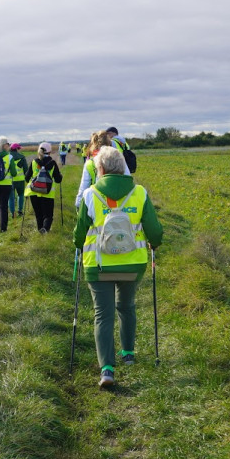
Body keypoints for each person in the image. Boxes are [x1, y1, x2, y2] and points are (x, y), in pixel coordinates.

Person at [73, 147, 163, 388]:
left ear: (99, 169)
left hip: (99, 265)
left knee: (103, 314)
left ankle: (107, 370)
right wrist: (154, 243)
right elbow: (155, 231)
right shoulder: (140, 193)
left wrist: (76, 245)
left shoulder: (91, 195)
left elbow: (80, 232)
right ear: (122, 167)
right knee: (126, 305)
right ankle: (128, 353)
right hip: (132, 263)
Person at [75, 130, 129, 208]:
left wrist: (79, 203)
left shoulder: (90, 163)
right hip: (120, 202)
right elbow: (128, 177)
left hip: (98, 202)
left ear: (93, 145)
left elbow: (84, 186)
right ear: (109, 143)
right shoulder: (119, 158)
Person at [24, 142, 63, 233]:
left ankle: (40, 231)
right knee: (48, 215)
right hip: (47, 193)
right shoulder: (52, 163)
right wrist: (60, 176)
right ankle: (45, 229)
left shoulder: (34, 162)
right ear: (49, 152)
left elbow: (27, 177)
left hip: (34, 192)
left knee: (38, 215)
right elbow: (58, 180)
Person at [7, 143, 29, 218]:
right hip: (20, 180)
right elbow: (26, 170)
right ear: (16, 149)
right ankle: (20, 211)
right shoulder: (22, 157)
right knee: (20, 195)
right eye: (19, 148)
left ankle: (12, 213)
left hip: (10, 180)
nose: (19, 150)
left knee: (11, 197)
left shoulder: (7, 157)